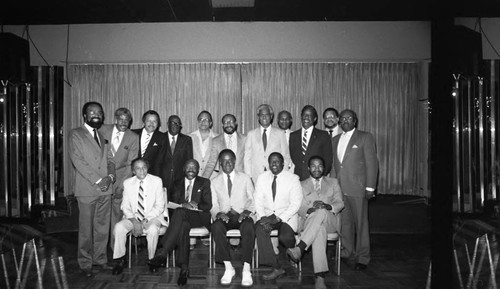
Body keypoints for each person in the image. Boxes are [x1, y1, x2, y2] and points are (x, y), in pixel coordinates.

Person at [69, 101, 116, 278]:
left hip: (105, 189)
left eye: (99, 112)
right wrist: (98, 180)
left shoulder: (103, 135)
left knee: (102, 228)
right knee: (86, 229)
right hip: (88, 189)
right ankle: (85, 263)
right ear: (85, 116)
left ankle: (101, 260)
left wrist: (110, 178)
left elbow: (111, 160)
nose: (96, 114)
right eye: (92, 111)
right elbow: (78, 161)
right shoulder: (76, 134)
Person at [148, 159, 212, 286]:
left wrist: (195, 204)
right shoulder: (176, 183)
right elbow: (170, 203)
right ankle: (184, 269)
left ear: (198, 170)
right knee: (182, 223)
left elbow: (208, 205)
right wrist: (183, 205)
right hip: (181, 219)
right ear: (184, 169)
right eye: (188, 167)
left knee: (180, 212)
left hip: (199, 217)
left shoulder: (204, 182)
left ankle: (163, 252)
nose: (191, 170)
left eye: (194, 167)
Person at [286, 156, 344, 289]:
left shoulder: (333, 182)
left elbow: (340, 203)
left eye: (320, 166)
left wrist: (327, 206)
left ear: (324, 168)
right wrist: (310, 210)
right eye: (313, 166)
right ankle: (320, 277)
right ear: (308, 168)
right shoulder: (301, 184)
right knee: (319, 229)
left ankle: (300, 248)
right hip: (309, 221)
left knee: (322, 211)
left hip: (330, 221)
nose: (317, 169)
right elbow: (298, 206)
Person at [331, 109, 379, 270]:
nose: (345, 120)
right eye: (342, 118)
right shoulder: (335, 139)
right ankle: (346, 252)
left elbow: (372, 164)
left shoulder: (365, 137)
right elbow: (335, 166)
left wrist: (370, 187)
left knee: (361, 224)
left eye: (349, 118)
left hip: (358, 188)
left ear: (355, 121)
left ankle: (363, 257)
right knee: (345, 223)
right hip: (340, 188)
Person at [111, 158, 168, 275]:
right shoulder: (127, 183)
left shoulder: (157, 181)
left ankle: (152, 260)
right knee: (119, 227)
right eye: (138, 168)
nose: (141, 171)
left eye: (144, 167)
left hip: (153, 217)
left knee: (152, 229)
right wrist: (134, 220)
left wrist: (146, 219)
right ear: (133, 171)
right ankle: (120, 260)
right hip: (133, 218)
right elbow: (125, 206)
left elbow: (160, 205)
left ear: (147, 168)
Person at [254, 152, 303, 280]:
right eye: (271, 161)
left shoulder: (293, 178)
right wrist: (262, 217)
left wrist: (279, 218)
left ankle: (288, 256)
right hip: (267, 215)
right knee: (260, 229)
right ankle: (276, 267)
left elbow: (296, 204)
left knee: (285, 237)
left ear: (283, 163)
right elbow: (257, 200)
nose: (273, 164)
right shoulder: (262, 177)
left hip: (286, 216)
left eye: (276, 161)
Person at [210, 149, 255, 287]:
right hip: (225, 216)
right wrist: (218, 213)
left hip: (242, 214)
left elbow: (253, 199)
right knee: (216, 226)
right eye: (224, 160)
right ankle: (228, 267)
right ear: (220, 163)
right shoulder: (214, 181)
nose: (227, 163)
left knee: (249, 227)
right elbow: (213, 204)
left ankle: (247, 269)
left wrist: (247, 211)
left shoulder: (245, 178)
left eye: (230, 160)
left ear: (235, 162)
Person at [100, 107, 139, 249]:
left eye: (127, 120)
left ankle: (114, 249)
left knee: (116, 217)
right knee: (101, 217)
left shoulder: (133, 137)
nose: (124, 122)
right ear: (115, 119)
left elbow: (131, 164)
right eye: (121, 119)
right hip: (101, 179)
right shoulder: (103, 130)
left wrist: (122, 186)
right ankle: (100, 250)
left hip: (120, 180)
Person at [244, 104, 291, 182]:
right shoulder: (251, 134)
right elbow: (247, 158)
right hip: (256, 177)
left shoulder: (280, 133)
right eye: (262, 115)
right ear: (258, 117)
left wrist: (283, 174)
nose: (264, 117)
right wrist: (249, 177)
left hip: (276, 176)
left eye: (267, 114)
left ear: (271, 116)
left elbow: (285, 156)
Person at [289, 105, 333, 181]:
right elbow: (294, 157)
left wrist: (320, 178)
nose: (306, 117)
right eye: (304, 115)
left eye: (310, 115)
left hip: (317, 179)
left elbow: (328, 161)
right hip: (298, 179)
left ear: (315, 119)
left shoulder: (323, 135)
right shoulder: (293, 136)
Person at [155, 115, 193, 201]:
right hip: (162, 180)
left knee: (177, 208)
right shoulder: (159, 138)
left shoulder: (187, 140)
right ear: (167, 124)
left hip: (180, 181)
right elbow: (156, 162)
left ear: (180, 126)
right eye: (172, 122)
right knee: (163, 206)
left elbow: (189, 161)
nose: (175, 125)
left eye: (177, 123)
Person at [204, 114, 246, 179]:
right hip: (223, 179)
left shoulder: (244, 139)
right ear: (222, 125)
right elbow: (211, 163)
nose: (228, 124)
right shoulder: (216, 140)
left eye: (231, 122)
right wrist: (203, 180)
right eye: (225, 122)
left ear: (236, 123)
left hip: (241, 178)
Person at [132, 110, 164, 177]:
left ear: (158, 123)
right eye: (149, 121)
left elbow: (160, 162)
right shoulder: (133, 134)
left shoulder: (162, 137)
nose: (151, 124)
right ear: (144, 121)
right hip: (132, 175)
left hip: (151, 176)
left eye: (154, 121)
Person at [189, 111, 218, 178]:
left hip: (212, 178)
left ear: (210, 123)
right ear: (198, 122)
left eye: (206, 119)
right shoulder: (189, 137)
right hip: (194, 177)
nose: (203, 122)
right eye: (201, 119)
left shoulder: (218, 138)